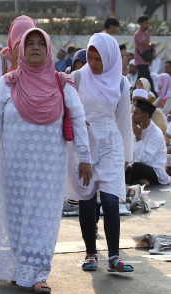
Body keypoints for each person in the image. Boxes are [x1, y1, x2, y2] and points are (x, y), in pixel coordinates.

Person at [0, 28, 91, 294]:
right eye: (31, 44)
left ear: (49, 49)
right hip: (12, 166)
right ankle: (19, 270)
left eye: (42, 43)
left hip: (48, 168)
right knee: (15, 217)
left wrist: (84, 158)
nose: (36, 47)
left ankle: (38, 274)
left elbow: (77, 118)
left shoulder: (62, 83)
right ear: (21, 50)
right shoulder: (8, 82)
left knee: (43, 217)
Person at [65, 33, 134, 274]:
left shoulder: (122, 83)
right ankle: (91, 253)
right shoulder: (76, 79)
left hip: (111, 146)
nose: (92, 63)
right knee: (86, 199)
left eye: (98, 59)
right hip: (84, 147)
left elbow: (124, 121)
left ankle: (114, 256)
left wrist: (127, 155)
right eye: (90, 58)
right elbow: (67, 112)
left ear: (111, 59)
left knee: (110, 199)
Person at [0, 15, 37, 263]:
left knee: (25, 194)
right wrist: (15, 68)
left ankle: (19, 252)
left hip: (28, 140)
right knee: (2, 190)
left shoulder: (39, 62)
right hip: (4, 138)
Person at [128, 98, 169, 186]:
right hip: (138, 166)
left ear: (146, 116)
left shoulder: (156, 134)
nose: (132, 116)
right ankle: (139, 181)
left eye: (135, 113)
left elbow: (144, 160)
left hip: (154, 170)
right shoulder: (136, 128)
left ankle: (140, 181)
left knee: (136, 167)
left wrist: (138, 138)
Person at [134, 15, 157, 96]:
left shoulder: (144, 33)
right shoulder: (138, 34)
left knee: (139, 80)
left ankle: (132, 95)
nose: (147, 25)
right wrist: (149, 32)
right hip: (140, 62)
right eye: (145, 23)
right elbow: (145, 42)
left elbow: (146, 44)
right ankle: (155, 97)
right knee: (149, 81)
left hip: (144, 61)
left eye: (148, 23)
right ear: (140, 23)